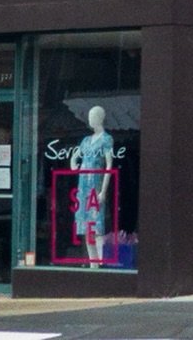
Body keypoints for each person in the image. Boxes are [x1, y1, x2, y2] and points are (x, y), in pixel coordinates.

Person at [69, 106, 114, 266]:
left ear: (99, 118)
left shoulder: (106, 140)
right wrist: (75, 167)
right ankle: (92, 264)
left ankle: (100, 262)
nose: (89, 120)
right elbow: (74, 158)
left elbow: (109, 165)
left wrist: (103, 190)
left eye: (92, 116)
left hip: (96, 185)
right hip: (83, 187)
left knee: (96, 225)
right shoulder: (86, 140)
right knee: (87, 227)